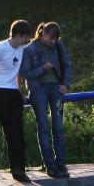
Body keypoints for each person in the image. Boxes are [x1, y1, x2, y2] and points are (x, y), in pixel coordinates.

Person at [0, 19, 34, 183]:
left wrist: (19, 91)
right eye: (26, 37)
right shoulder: (1, 47)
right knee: (10, 129)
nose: (27, 40)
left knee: (18, 130)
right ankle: (16, 169)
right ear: (18, 35)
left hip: (12, 92)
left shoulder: (21, 48)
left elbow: (17, 72)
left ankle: (20, 168)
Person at [20, 21, 73, 178]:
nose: (52, 42)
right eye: (50, 38)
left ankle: (61, 163)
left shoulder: (58, 46)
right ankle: (50, 166)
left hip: (57, 89)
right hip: (38, 90)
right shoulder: (30, 49)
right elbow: (25, 73)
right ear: (42, 33)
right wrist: (42, 68)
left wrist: (66, 84)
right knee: (43, 127)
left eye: (55, 39)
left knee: (58, 127)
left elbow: (67, 64)